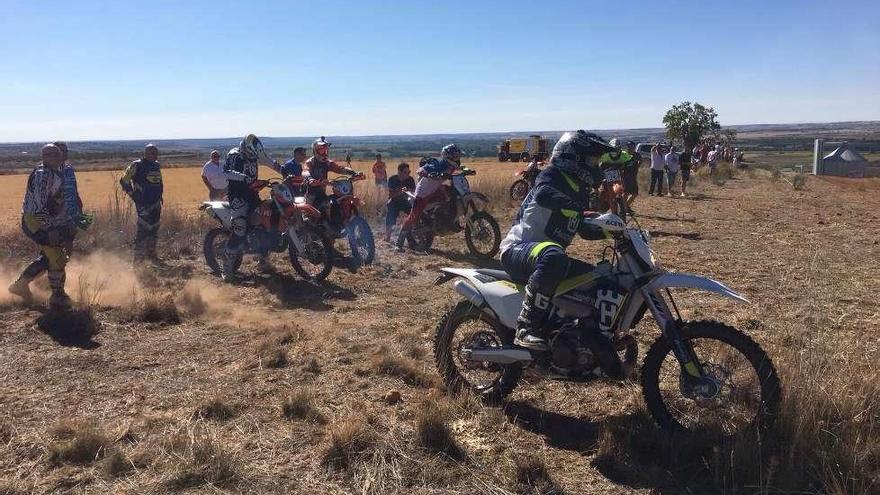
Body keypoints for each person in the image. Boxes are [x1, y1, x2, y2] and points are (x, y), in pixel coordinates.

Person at [500, 130, 619, 361]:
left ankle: (586, 335)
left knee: (599, 278)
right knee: (554, 256)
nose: (596, 166)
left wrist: (614, 231)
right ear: (575, 159)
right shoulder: (552, 175)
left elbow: (583, 228)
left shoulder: (580, 191)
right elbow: (543, 194)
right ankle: (527, 325)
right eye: (592, 160)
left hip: (547, 258)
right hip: (518, 250)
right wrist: (578, 209)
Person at [8, 144, 80, 309]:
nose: (57, 157)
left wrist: (69, 225)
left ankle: (21, 285)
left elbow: (68, 198)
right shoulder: (42, 175)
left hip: (51, 220)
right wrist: (50, 229)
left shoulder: (62, 171)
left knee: (49, 257)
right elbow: (40, 208)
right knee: (56, 256)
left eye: (58, 154)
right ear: (44, 157)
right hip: (35, 220)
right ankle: (58, 297)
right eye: (52, 155)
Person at [222, 134, 279, 280]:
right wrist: (244, 177)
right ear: (245, 149)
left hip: (252, 194)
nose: (253, 158)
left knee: (266, 218)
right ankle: (227, 268)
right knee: (240, 228)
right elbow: (227, 172)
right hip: (237, 196)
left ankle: (262, 258)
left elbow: (269, 162)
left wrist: (285, 172)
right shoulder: (234, 155)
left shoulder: (255, 154)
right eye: (251, 154)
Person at [395, 144, 462, 252]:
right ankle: (399, 243)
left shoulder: (452, 165)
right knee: (413, 215)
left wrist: (468, 171)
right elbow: (422, 169)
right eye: (455, 156)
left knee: (451, 193)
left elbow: (460, 169)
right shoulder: (438, 163)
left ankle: (446, 219)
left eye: (458, 155)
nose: (457, 158)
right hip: (423, 193)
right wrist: (427, 173)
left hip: (435, 189)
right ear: (449, 156)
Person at [304, 137, 359, 233]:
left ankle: (335, 228)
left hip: (321, 193)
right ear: (315, 151)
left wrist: (354, 173)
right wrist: (310, 179)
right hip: (310, 194)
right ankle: (311, 234)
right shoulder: (310, 162)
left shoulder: (327, 162)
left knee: (333, 204)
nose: (324, 153)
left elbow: (340, 168)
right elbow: (305, 171)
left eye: (326, 150)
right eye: (321, 150)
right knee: (311, 217)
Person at [120, 144, 163, 262]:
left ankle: (151, 255)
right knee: (143, 230)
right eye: (152, 153)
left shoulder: (156, 165)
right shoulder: (137, 165)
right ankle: (138, 259)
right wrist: (133, 195)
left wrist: (160, 197)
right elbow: (124, 180)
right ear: (146, 153)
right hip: (143, 204)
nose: (155, 155)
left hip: (156, 203)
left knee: (154, 229)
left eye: (156, 153)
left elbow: (159, 182)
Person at [384, 162, 415, 243]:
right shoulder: (392, 179)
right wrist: (400, 191)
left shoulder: (410, 180)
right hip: (395, 201)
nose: (408, 174)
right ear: (399, 172)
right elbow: (391, 195)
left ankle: (411, 237)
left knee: (413, 213)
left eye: (409, 172)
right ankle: (388, 238)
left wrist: (408, 190)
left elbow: (414, 193)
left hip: (407, 201)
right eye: (406, 172)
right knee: (390, 210)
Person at [623, 141, 641, 208]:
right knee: (625, 193)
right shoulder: (624, 155)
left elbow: (640, 160)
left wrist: (637, 167)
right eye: (628, 146)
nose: (629, 148)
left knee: (635, 194)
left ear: (633, 147)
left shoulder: (637, 155)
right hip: (625, 177)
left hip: (633, 177)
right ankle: (623, 208)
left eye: (630, 146)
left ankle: (625, 207)